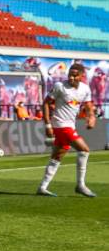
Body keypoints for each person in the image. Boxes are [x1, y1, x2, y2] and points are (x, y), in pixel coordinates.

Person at [37, 64, 97, 197]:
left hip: (70, 125)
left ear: (82, 76)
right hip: (60, 124)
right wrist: (47, 125)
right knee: (84, 149)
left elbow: (88, 105)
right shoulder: (60, 86)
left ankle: (42, 187)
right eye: (70, 74)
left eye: (75, 75)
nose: (71, 77)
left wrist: (91, 116)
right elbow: (46, 103)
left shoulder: (85, 89)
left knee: (58, 156)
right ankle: (80, 185)